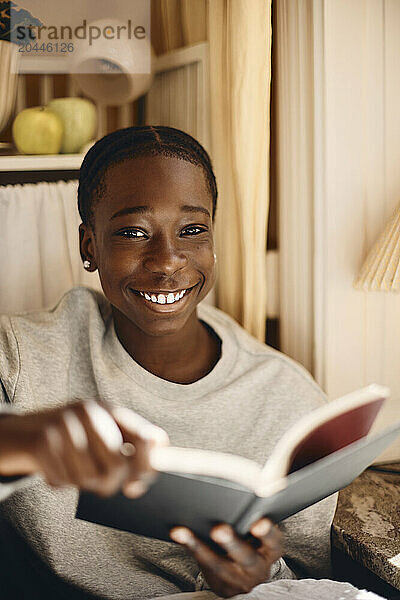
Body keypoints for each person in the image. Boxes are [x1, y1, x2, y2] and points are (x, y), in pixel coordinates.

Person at [0, 126, 374, 600]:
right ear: (89, 247)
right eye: (133, 232)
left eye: (192, 230)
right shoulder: (21, 356)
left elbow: (304, 582)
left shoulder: (288, 399)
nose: (167, 261)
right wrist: (22, 440)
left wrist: (256, 579)